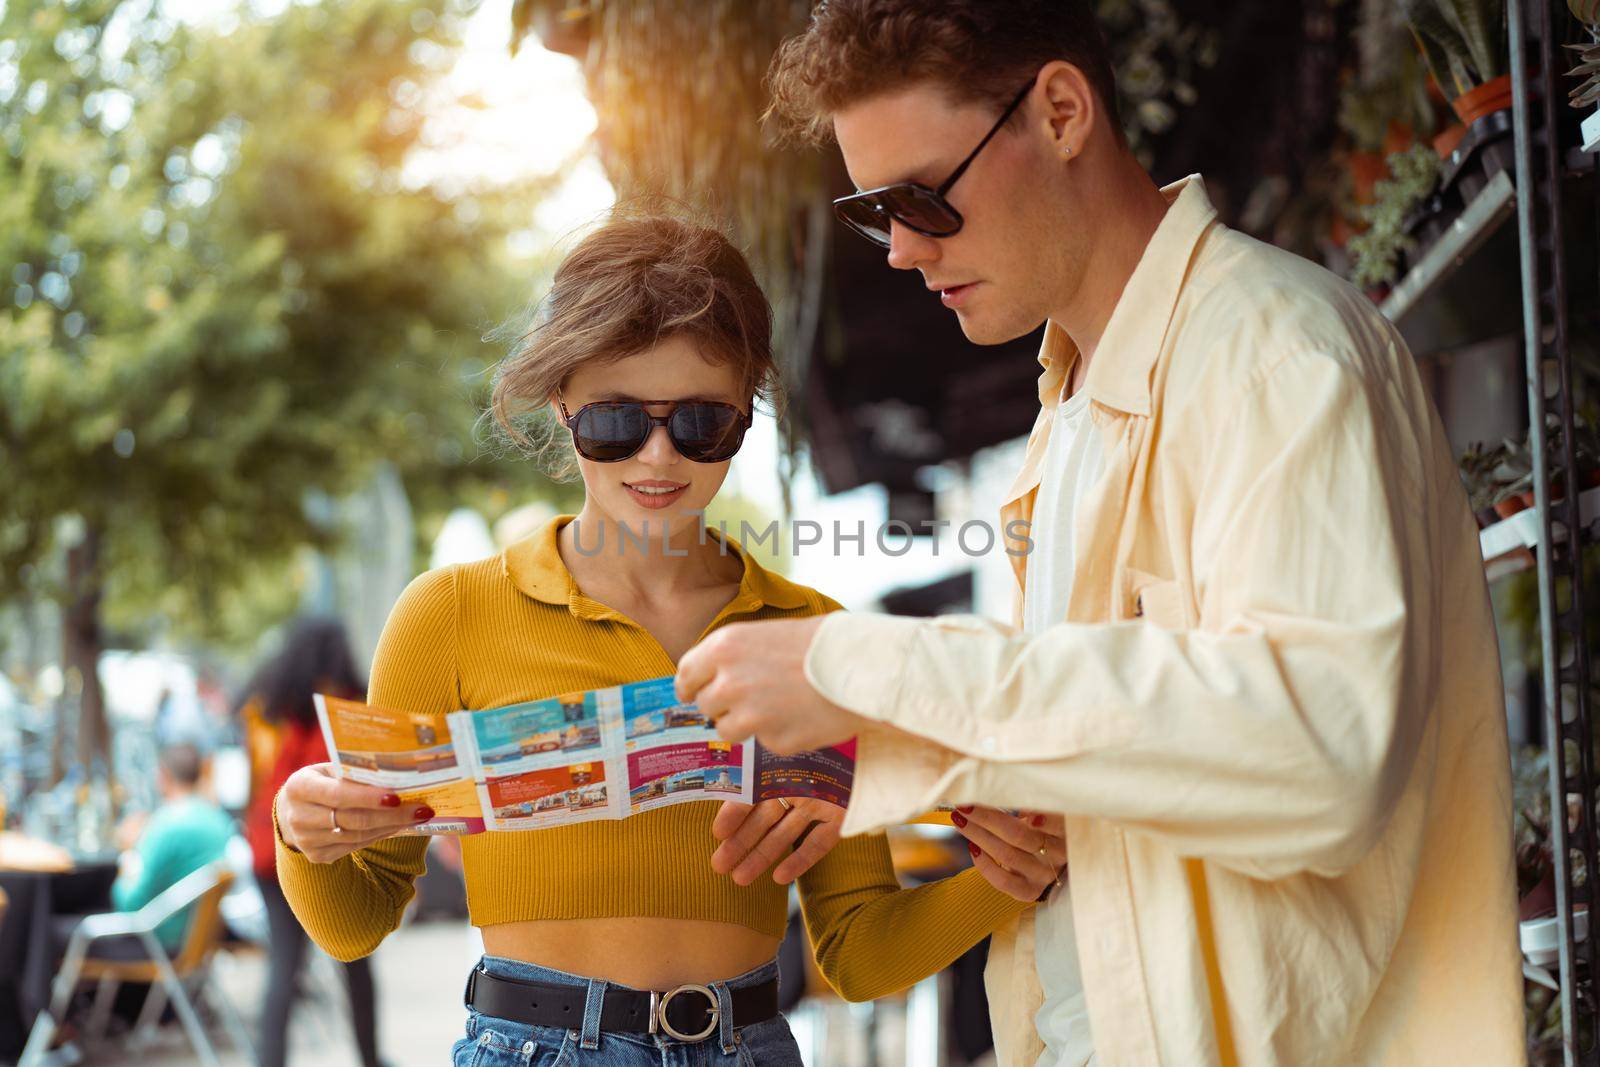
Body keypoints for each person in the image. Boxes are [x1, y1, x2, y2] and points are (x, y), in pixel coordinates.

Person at [674, 2, 1525, 1065]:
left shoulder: (1274, 355)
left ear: (1062, 111)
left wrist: (863, 665)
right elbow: (1151, 734)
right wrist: (905, 769)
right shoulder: (1070, 411)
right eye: (871, 210)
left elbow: (1317, 748)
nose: (898, 249)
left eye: (922, 197)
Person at [272, 214, 1067, 1065]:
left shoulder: (813, 635)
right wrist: (302, 835)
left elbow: (860, 952)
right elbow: (355, 924)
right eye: (616, 422)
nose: (658, 458)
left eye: (701, 423)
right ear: (561, 403)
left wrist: (999, 882)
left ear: (747, 415)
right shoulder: (451, 614)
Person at [239, 618, 387, 1067]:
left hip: (270, 847)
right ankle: (370, 1057)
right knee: (354, 957)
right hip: (326, 848)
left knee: (285, 968)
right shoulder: (342, 713)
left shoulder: (277, 711)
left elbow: (260, 781)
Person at [110, 743, 234, 951]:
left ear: (163, 776)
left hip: (158, 940)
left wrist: (126, 862)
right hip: (198, 940)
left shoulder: (163, 825)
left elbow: (130, 903)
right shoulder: (218, 820)